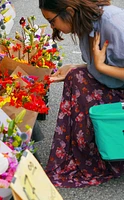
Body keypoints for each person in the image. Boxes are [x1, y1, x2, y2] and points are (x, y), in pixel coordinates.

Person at [39, 0, 124, 188]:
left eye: (51, 21)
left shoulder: (113, 24)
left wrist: (100, 66)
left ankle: (108, 156)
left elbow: (107, 66)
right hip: (116, 85)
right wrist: (75, 66)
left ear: (68, 10)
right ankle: (89, 156)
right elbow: (112, 63)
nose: (52, 26)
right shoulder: (88, 20)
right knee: (75, 76)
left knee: (78, 81)